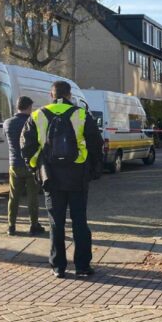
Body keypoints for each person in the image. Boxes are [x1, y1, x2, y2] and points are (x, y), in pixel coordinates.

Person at [20, 81, 103, 279]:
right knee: (80, 221)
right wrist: (92, 170)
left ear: (51, 94)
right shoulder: (81, 114)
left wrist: (36, 168)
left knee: (56, 222)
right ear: (69, 94)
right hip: (77, 175)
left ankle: (58, 266)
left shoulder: (37, 115)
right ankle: (82, 265)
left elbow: (26, 145)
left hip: (51, 176)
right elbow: (95, 143)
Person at [3, 96, 45, 237]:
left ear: (17, 107)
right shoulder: (33, 122)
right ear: (29, 107)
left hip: (14, 164)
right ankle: (34, 224)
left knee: (13, 197)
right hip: (31, 164)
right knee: (33, 197)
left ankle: (11, 226)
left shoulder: (7, 123)